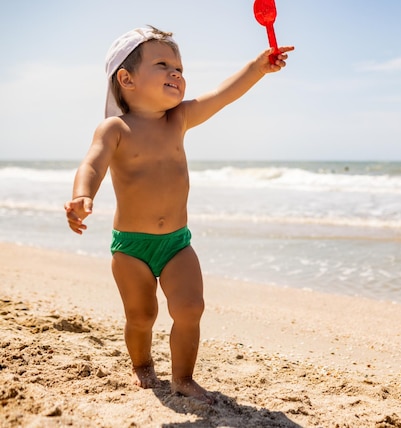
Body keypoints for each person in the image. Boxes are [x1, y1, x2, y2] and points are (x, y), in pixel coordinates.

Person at [64, 26, 293, 403]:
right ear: (126, 78)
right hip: (131, 247)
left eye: (180, 68)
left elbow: (221, 96)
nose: (177, 73)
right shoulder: (115, 128)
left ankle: (183, 378)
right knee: (141, 316)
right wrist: (82, 196)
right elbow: (92, 164)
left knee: (190, 308)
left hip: (176, 243)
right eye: (163, 65)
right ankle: (141, 365)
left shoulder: (179, 119)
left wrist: (257, 67)